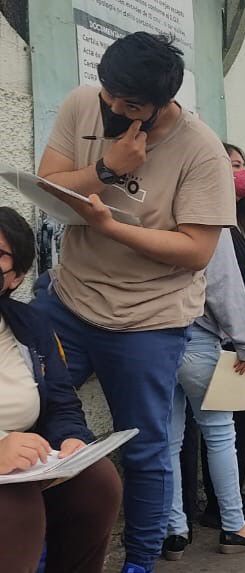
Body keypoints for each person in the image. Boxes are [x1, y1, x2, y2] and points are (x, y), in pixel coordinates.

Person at [33, 32, 236, 573]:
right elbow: (48, 184)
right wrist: (105, 169)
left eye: (132, 105)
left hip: (147, 320)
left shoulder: (201, 151)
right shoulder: (84, 102)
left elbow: (196, 251)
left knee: (145, 447)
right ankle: (41, 545)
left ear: (163, 102)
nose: (115, 109)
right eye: (111, 96)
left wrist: (111, 227)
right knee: (32, 420)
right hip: (68, 300)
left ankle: (141, 560)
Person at [0, 207, 123, 573]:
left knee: (96, 481)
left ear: (16, 277)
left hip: (18, 465)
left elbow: (60, 402)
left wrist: (73, 442)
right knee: (14, 503)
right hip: (9, 475)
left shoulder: (30, 325)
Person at [163, 229, 245, 560]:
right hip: (198, 337)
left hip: (153, 339)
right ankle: (234, 525)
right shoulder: (207, 216)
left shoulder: (149, 206)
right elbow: (223, 282)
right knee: (220, 433)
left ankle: (174, 532)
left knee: (167, 439)